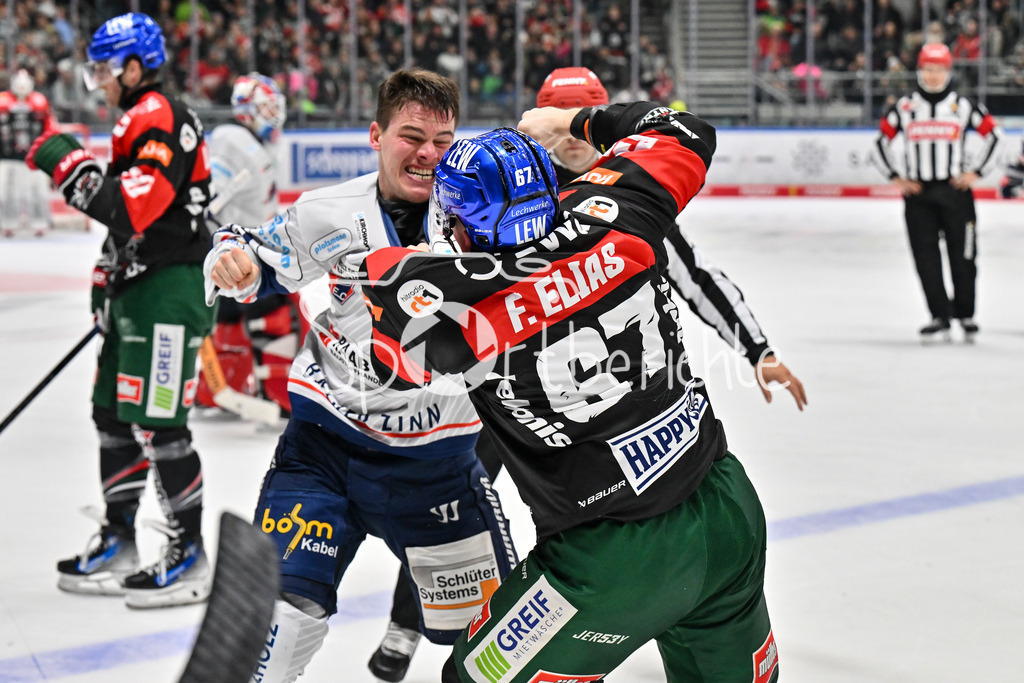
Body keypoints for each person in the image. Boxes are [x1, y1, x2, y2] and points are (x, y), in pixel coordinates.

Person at [359, 104, 780, 681]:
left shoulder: (448, 300)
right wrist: (575, 120)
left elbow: (390, 362)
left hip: (609, 560)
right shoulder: (617, 208)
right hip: (726, 505)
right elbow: (688, 131)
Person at [204, 69, 517, 683]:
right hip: (324, 453)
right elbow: (256, 253)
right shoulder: (329, 211)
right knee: (278, 622)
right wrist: (230, 260)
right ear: (376, 136)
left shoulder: (489, 222)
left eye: (443, 140)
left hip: (438, 467)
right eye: (411, 136)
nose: (428, 154)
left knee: (500, 646)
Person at [25, 12, 216, 608]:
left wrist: (66, 162)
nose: (98, 83)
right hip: (140, 286)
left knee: (160, 422)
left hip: (170, 289)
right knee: (111, 411)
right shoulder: (138, 117)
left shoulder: (158, 114)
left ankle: (189, 554)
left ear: (135, 67)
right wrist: (105, 285)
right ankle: (120, 538)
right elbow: (130, 231)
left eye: (104, 70)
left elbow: (131, 210)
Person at [536, 67, 806, 408]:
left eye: (575, 118)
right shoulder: (521, 198)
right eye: (559, 118)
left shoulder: (632, 189)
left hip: (627, 386)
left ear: (598, 117)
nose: (572, 136)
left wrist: (758, 350)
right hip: (539, 389)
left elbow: (696, 277)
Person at [874, 42, 1002, 342]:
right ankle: (939, 315)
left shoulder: (963, 106)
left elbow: (994, 136)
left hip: (955, 194)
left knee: (965, 256)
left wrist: (977, 173)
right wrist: (897, 177)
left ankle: (966, 314)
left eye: (939, 69)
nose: (933, 76)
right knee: (926, 258)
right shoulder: (905, 108)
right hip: (919, 197)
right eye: (928, 69)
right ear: (920, 70)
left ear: (948, 71)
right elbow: (880, 142)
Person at [195, 72, 304, 416]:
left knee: (232, 316)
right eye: (267, 108)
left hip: (241, 250)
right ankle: (279, 393)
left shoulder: (250, 144)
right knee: (283, 310)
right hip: (238, 254)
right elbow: (207, 198)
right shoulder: (233, 142)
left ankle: (221, 384)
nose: (274, 115)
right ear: (248, 110)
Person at [0, 68, 57, 237]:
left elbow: (49, 127)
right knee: (6, 190)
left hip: (34, 156)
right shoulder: (2, 101)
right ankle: (7, 222)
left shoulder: (40, 101)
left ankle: (39, 222)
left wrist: (49, 152)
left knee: (37, 190)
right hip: (6, 155)